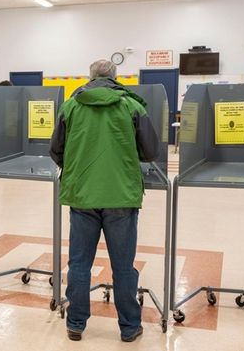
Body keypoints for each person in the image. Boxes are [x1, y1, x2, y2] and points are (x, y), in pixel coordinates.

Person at [49, 59, 159, 343]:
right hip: (121, 196)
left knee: (79, 264)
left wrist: (76, 167)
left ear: (90, 77)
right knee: (123, 265)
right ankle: (129, 326)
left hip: (83, 196)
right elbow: (150, 151)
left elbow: (55, 150)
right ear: (115, 77)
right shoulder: (131, 106)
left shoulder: (71, 106)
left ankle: (75, 323)